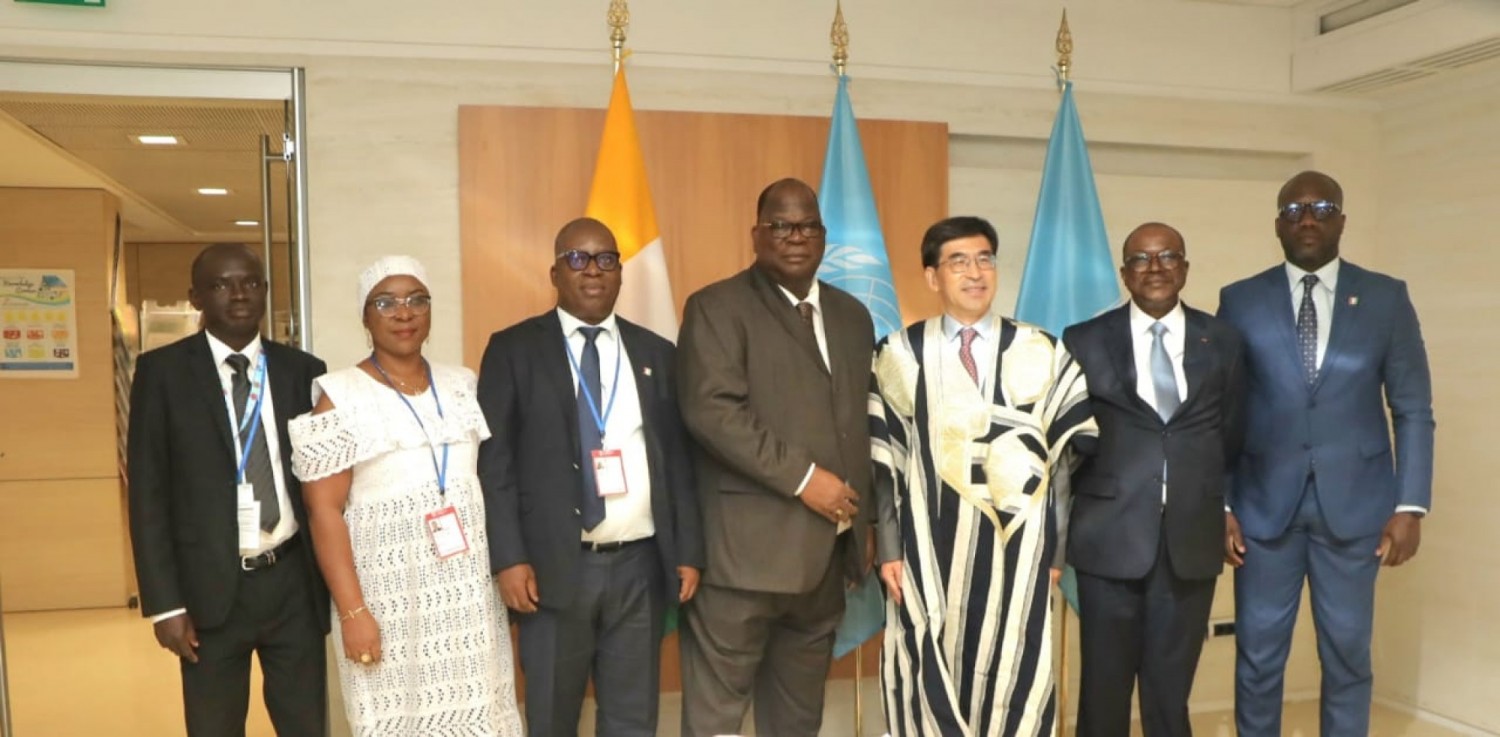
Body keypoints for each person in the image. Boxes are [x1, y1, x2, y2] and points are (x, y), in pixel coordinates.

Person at [1218, 171, 1434, 736]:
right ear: (1278, 225)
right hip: (1263, 510)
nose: (1307, 219)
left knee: (1347, 656)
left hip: (1356, 509)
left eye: (1320, 208)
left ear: (1341, 219)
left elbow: (1413, 408)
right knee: (1258, 658)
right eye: (1294, 210)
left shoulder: (1386, 297)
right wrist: (1221, 503)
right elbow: (1220, 412)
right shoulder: (1239, 300)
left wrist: (1410, 505)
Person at [476, 218, 703, 737]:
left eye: (605, 259)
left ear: (620, 272)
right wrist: (508, 558)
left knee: (632, 720)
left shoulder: (656, 353)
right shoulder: (514, 349)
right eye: (578, 259)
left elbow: (677, 460)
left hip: (640, 568)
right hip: (553, 571)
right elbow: (495, 464)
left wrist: (688, 549)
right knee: (552, 718)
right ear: (555, 273)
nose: (593, 270)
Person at [870, 216, 1094, 736]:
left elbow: (1063, 460)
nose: (975, 273)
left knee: (1015, 667)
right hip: (927, 551)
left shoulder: (1042, 349)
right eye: (958, 262)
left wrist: (1055, 551)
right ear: (932, 277)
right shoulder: (900, 353)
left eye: (984, 259)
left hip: (1020, 552)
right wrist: (888, 550)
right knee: (928, 662)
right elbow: (885, 463)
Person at [288, 256, 523, 736]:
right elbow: (323, 512)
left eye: (417, 300)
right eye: (386, 302)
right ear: (365, 316)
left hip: (469, 597)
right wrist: (354, 612)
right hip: (387, 598)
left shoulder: (462, 384)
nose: (404, 313)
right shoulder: (340, 395)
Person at [675, 178, 873, 737]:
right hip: (744, 562)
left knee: (797, 722)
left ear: (823, 236)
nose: (796, 236)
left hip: (826, 562)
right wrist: (805, 479)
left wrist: (868, 525)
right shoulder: (717, 307)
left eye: (808, 226)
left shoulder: (853, 316)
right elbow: (712, 412)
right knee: (716, 723)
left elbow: (861, 425)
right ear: (756, 235)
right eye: (781, 226)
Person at [126, 242, 328, 736]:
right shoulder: (162, 373)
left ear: (265, 290)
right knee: (214, 726)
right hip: (208, 590)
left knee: (306, 724)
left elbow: (324, 483)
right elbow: (148, 495)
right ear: (196, 297)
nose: (239, 294)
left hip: (292, 583)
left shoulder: (304, 371)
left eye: (250, 283)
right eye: (221, 285)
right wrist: (166, 604)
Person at [1061, 222, 1245, 737]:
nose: (1155, 267)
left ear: (1184, 267)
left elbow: (1231, 432)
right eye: (1141, 259)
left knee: (1170, 693)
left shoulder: (1223, 340)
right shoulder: (1083, 340)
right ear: (1124, 274)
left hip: (1190, 538)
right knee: (1104, 692)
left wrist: (1220, 503)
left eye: (1167, 256)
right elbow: (1070, 439)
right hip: (1109, 536)